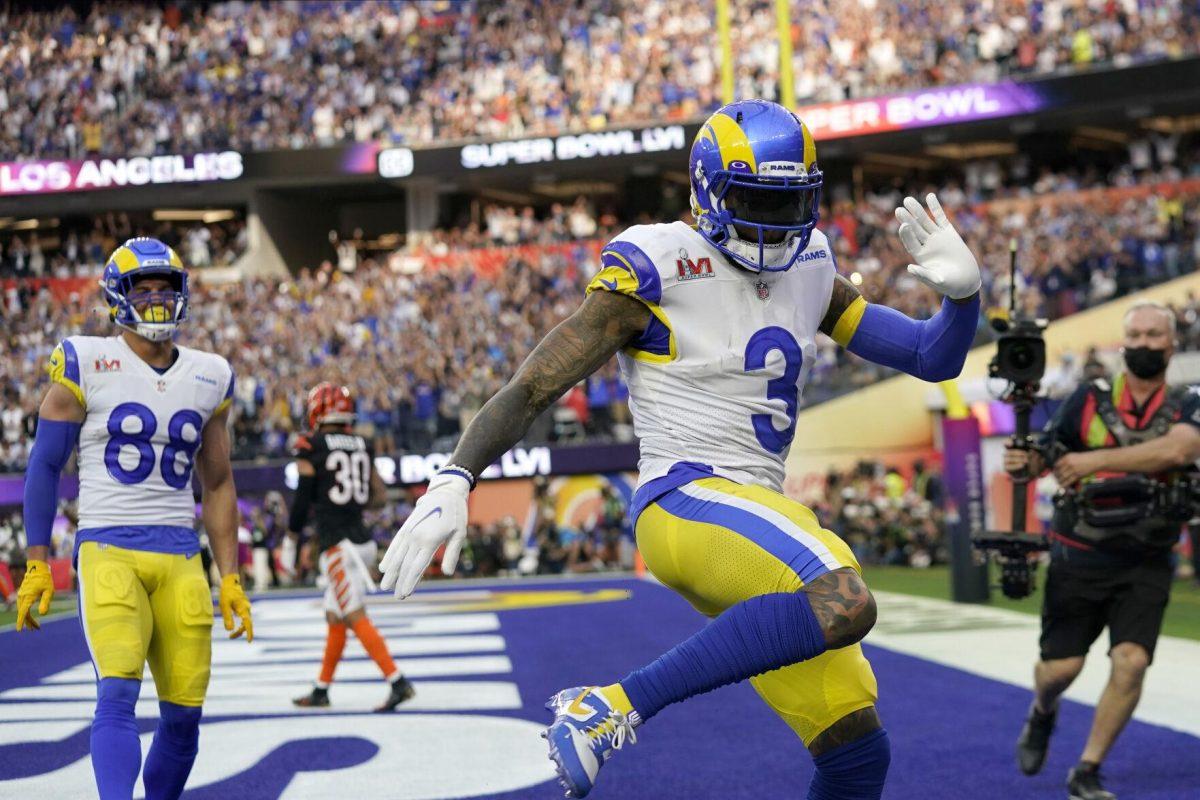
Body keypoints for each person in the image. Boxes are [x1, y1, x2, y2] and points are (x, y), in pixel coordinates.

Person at [379, 99, 981, 799]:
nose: (774, 222)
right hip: (686, 499)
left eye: (789, 204)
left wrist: (963, 299)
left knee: (856, 752)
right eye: (754, 199)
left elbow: (931, 356)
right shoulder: (662, 264)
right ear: (709, 193)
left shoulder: (811, 266)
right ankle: (608, 708)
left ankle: (616, 707)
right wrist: (455, 476)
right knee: (844, 597)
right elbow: (536, 384)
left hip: (760, 516)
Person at [14, 237, 253, 800]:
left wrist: (232, 574)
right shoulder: (85, 359)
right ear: (118, 297)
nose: (154, 299)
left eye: (163, 288)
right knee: (117, 695)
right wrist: (36, 561)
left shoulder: (210, 373)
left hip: (179, 555)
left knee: (185, 719)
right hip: (108, 548)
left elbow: (217, 482)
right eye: (141, 289)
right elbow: (44, 466)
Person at [1006, 301, 1200, 800]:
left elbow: (1178, 450)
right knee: (1059, 671)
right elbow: (1047, 452)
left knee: (1131, 661)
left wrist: (1093, 461)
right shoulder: (1087, 398)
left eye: (1154, 336)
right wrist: (1027, 461)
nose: (1143, 345)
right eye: (1134, 335)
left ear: (1171, 344)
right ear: (1122, 342)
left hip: (1147, 559)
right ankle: (1043, 711)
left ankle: (1087, 769)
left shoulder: (1189, 401)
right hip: (1079, 556)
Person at [290, 382, 415, 712]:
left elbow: (302, 496)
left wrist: (293, 535)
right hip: (361, 539)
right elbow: (379, 495)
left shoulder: (310, 443)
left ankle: (397, 681)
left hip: (338, 545)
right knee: (335, 616)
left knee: (353, 614)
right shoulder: (363, 442)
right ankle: (321, 689)